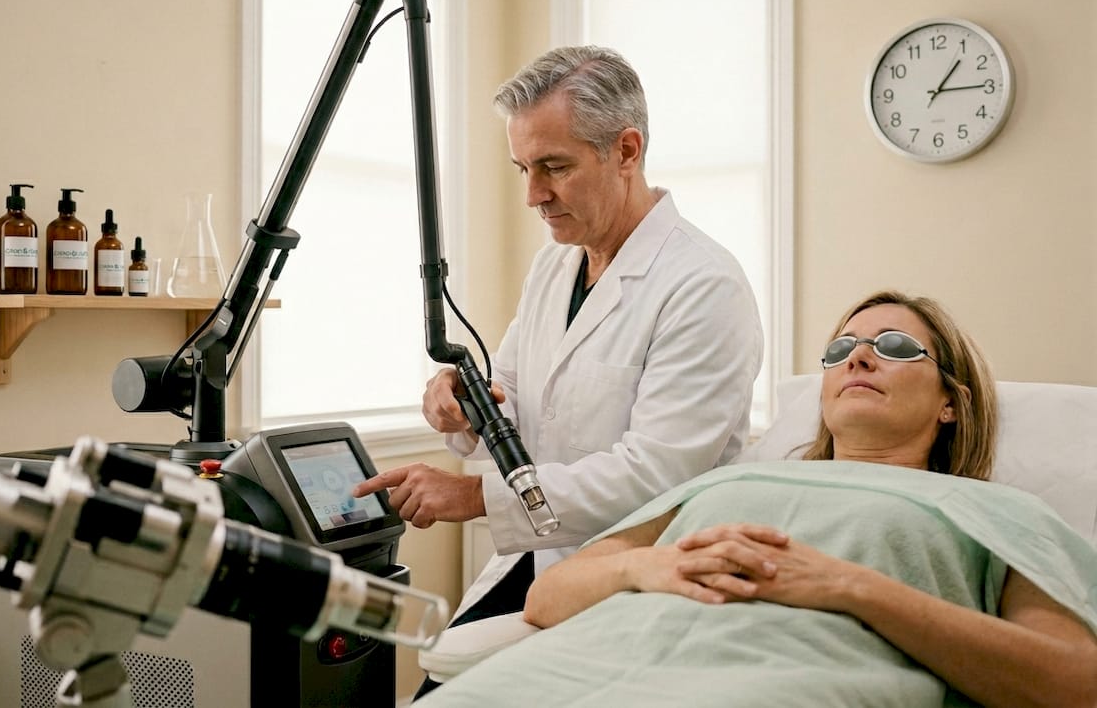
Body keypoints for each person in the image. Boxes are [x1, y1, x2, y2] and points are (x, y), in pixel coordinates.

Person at [414, 290, 1097, 707]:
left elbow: (1075, 685)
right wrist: (642, 568)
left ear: (951, 400)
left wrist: (851, 586)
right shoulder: (731, 482)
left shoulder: (996, 514)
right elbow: (546, 597)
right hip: (572, 674)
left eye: (892, 346)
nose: (856, 358)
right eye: (840, 349)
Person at [352, 45, 763, 695]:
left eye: (554, 167)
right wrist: (460, 405)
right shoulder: (555, 265)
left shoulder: (704, 286)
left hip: (636, 581)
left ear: (626, 151)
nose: (532, 195)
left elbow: (653, 477)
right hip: (538, 561)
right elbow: (510, 396)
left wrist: (468, 497)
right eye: (522, 168)